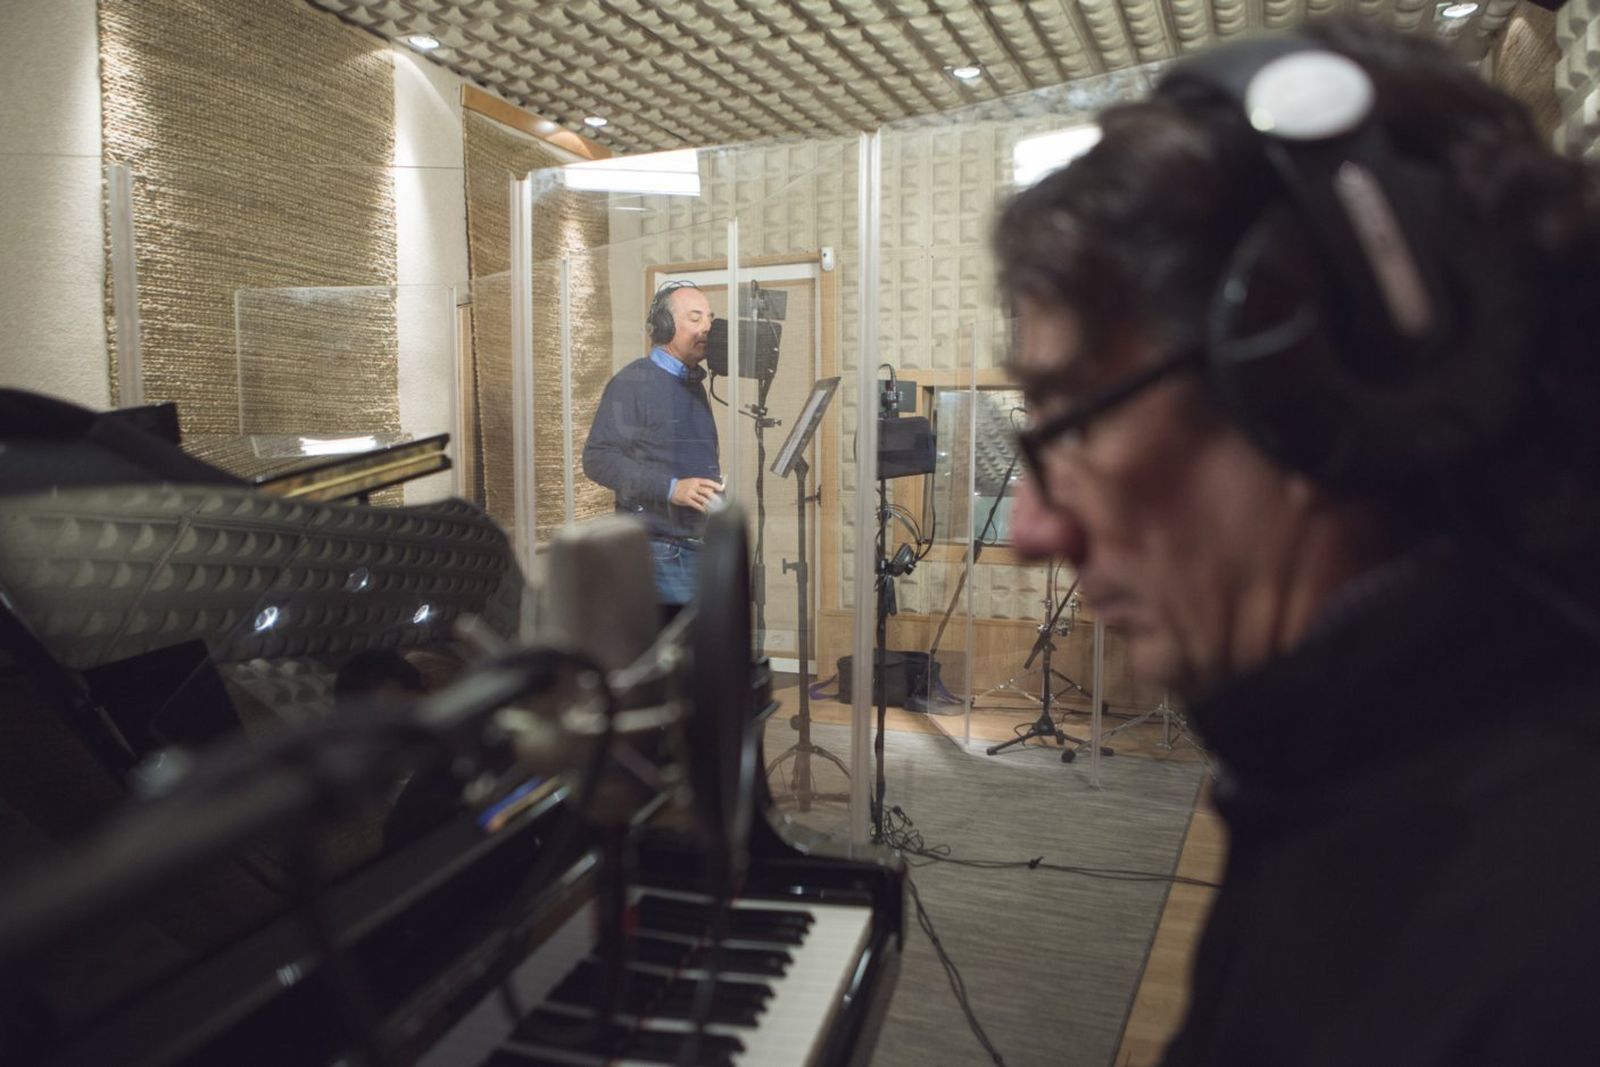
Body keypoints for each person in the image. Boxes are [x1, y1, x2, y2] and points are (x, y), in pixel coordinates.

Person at [996, 18, 1600, 1065]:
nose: (1031, 529)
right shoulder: (1336, 758)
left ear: (1328, 374)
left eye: (1075, 420)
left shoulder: (1538, 955)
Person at [583, 281, 724, 606]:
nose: (707, 327)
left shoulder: (692, 384)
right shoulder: (633, 383)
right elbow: (598, 458)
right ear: (664, 326)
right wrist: (671, 487)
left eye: (710, 318)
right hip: (660, 549)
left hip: (696, 543)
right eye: (695, 317)